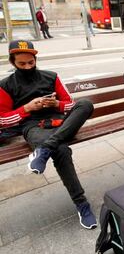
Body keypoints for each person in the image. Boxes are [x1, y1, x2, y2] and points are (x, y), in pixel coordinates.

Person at [0, 40, 97, 229]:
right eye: (22, 64)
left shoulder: (51, 77)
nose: (27, 67)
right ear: (13, 63)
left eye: (31, 62)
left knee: (85, 104)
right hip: (33, 127)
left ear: (35, 59)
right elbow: (2, 120)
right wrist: (27, 108)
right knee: (61, 150)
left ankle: (44, 150)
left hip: (61, 123)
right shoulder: (5, 86)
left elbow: (70, 104)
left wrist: (56, 105)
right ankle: (82, 204)